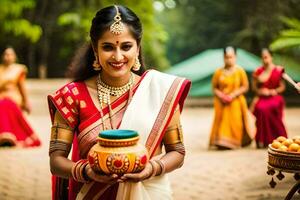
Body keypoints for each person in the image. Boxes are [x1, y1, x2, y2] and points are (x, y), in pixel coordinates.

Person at [48, 5, 191, 200]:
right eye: (108, 47)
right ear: (95, 49)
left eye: (126, 46)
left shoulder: (159, 91)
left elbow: (178, 152)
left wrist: (151, 169)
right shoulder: (72, 96)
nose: (117, 56)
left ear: (138, 47)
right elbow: (56, 162)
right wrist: (86, 172)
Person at [209, 47, 252, 149]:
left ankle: (235, 142)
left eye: (231, 57)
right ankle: (222, 143)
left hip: (236, 101)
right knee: (221, 121)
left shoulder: (240, 71)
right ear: (223, 57)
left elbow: (245, 86)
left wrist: (233, 95)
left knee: (236, 122)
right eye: (227, 57)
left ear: (235, 57)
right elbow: (214, 88)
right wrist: (221, 95)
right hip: (221, 102)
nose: (229, 59)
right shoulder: (218, 72)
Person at [0, 47, 41, 147]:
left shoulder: (19, 69)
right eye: (6, 54)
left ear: (14, 57)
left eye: (10, 54)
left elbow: (22, 87)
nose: (8, 57)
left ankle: (6, 135)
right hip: (1, 97)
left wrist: (26, 102)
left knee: (5, 104)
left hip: (13, 98)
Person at [251, 48, 287, 148]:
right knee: (260, 108)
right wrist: (260, 91)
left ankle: (279, 138)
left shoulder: (277, 70)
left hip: (274, 96)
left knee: (271, 107)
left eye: (266, 57)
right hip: (262, 97)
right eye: (263, 58)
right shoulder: (258, 71)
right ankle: (263, 140)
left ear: (271, 57)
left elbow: (282, 87)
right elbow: (254, 88)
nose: (265, 60)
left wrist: (273, 91)